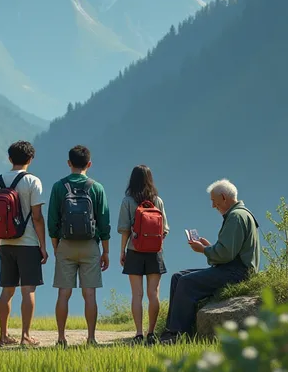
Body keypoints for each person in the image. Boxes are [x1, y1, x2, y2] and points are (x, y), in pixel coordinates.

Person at [161, 179, 260, 344]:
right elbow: (229, 250)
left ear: (223, 197)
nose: (213, 206)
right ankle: (171, 330)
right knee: (178, 277)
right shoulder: (240, 214)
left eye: (214, 201)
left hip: (237, 272)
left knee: (186, 283)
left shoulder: (236, 217)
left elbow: (226, 254)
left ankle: (179, 335)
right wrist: (210, 247)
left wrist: (203, 250)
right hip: (233, 268)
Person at [48, 145, 111, 347]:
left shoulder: (59, 187)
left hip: (65, 245)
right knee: (90, 293)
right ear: (89, 164)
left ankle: (60, 338)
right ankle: (91, 338)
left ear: (69, 163)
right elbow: (104, 222)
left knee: (63, 293)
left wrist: (56, 245)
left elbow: (52, 221)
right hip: (90, 245)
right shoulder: (97, 188)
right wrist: (106, 251)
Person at [0, 141, 48, 347]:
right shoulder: (33, 181)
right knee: (28, 290)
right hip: (28, 242)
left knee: (7, 290)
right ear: (30, 159)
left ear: (9, 158)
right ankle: (25, 336)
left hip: (5, 242)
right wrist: (43, 245)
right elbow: (38, 217)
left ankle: (3, 336)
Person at [118, 164, 169, 345]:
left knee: (137, 294)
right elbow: (164, 230)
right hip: (155, 252)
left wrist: (122, 251)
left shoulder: (128, 201)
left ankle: (138, 333)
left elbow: (124, 229)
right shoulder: (158, 201)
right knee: (153, 293)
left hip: (134, 251)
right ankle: (151, 333)